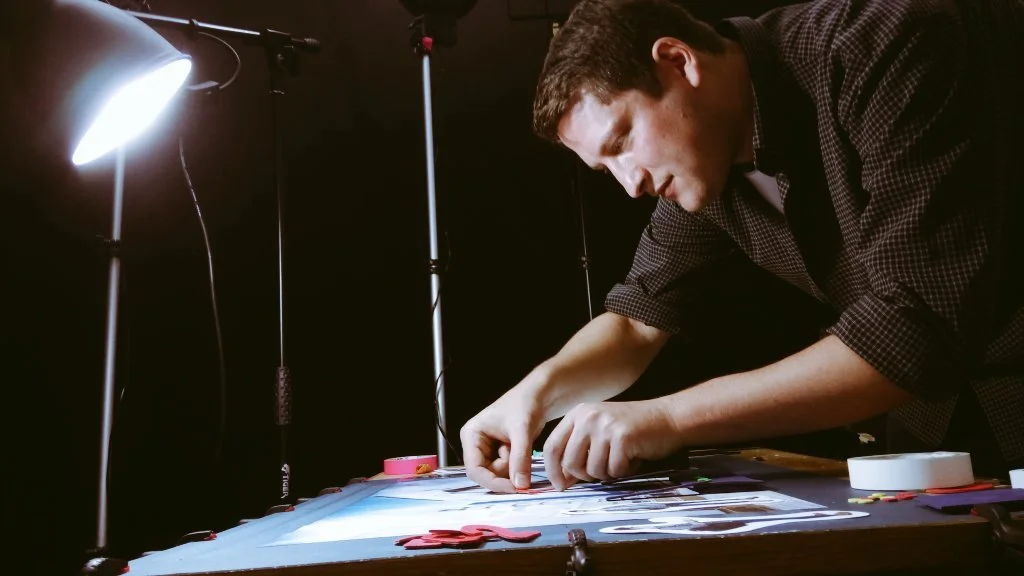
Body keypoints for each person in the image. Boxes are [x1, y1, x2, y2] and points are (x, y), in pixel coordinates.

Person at [460, 0, 1024, 493]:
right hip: (939, 437)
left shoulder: (887, 42)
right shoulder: (707, 159)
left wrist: (669, 418)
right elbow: (636, 321)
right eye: (606, 169)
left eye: (623, 141)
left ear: (678, 60)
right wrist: (535, 395)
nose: (630, 184)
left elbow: (912, 326)